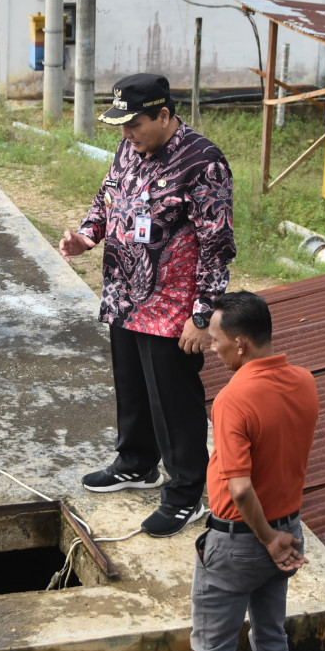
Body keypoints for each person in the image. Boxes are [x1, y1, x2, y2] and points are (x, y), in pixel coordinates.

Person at [60, 73, 235, 537]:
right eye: (120, 126)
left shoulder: (204, 163)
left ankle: (184, 493)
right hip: (124, 294)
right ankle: (136, 463)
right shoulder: (130, 147)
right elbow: (108, 196)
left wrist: (202, 316)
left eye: (133, 124)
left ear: (163, 115)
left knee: (173, 402)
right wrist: (85, 236)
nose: (125, 135)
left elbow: (216, 246)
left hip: (172, 308)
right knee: (132, 387)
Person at [191, 291, 319, 651]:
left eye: (215, 340)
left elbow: (241, 489)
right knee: (270, 636)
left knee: (214, 648)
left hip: (243, 541)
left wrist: (266, 538)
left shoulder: (233, 399)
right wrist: (278, 539)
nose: (212, 348)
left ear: (240, 344)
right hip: (288, 530)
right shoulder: (304, 381)